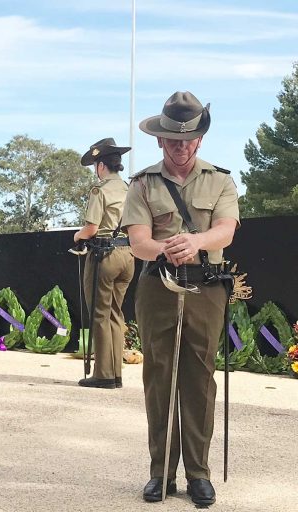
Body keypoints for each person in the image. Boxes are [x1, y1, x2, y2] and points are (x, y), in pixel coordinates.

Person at [122, 91, 239, 505]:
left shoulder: (221, 180)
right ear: (160, 139)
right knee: (159, 379)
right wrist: (166, 248)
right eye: (173, 139)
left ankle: (199, 474)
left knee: (199, 380)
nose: (181, 146)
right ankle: (161, 472)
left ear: (200, 139)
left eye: (189, 139)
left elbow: (225, 230)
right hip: (158, 287)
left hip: (206, 287)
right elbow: (138, 242)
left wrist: (197, 242)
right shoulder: (142, 184)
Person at [74, 138, 135, 389]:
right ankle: (116, 374)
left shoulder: (99, 190)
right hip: (128, 254)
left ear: (100, 166)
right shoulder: (131, 188)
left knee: (100, 314)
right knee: (115, 315)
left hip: (104, 255)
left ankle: (103, 374)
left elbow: (91, 228)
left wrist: (77, 236)